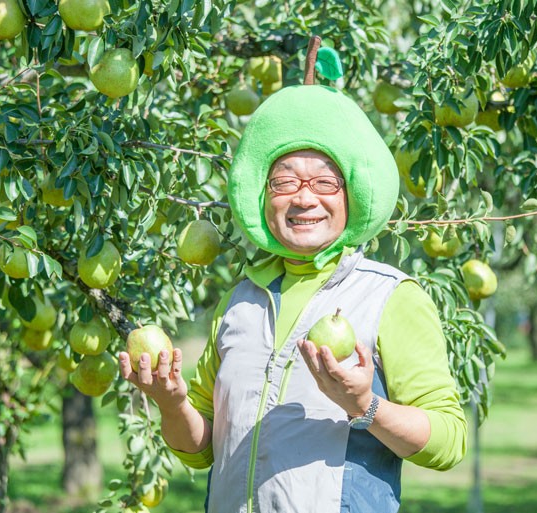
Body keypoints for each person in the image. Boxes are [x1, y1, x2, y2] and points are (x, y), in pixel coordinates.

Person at [120, 84, 467, 513]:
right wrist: (170, 404)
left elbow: (449, 441)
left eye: (325, 181)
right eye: (284, 181)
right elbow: (201, 450)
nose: (304, 198)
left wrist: (365, 406)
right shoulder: (240, 301)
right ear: (265, 196)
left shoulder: (389, 296)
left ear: (350, 194)